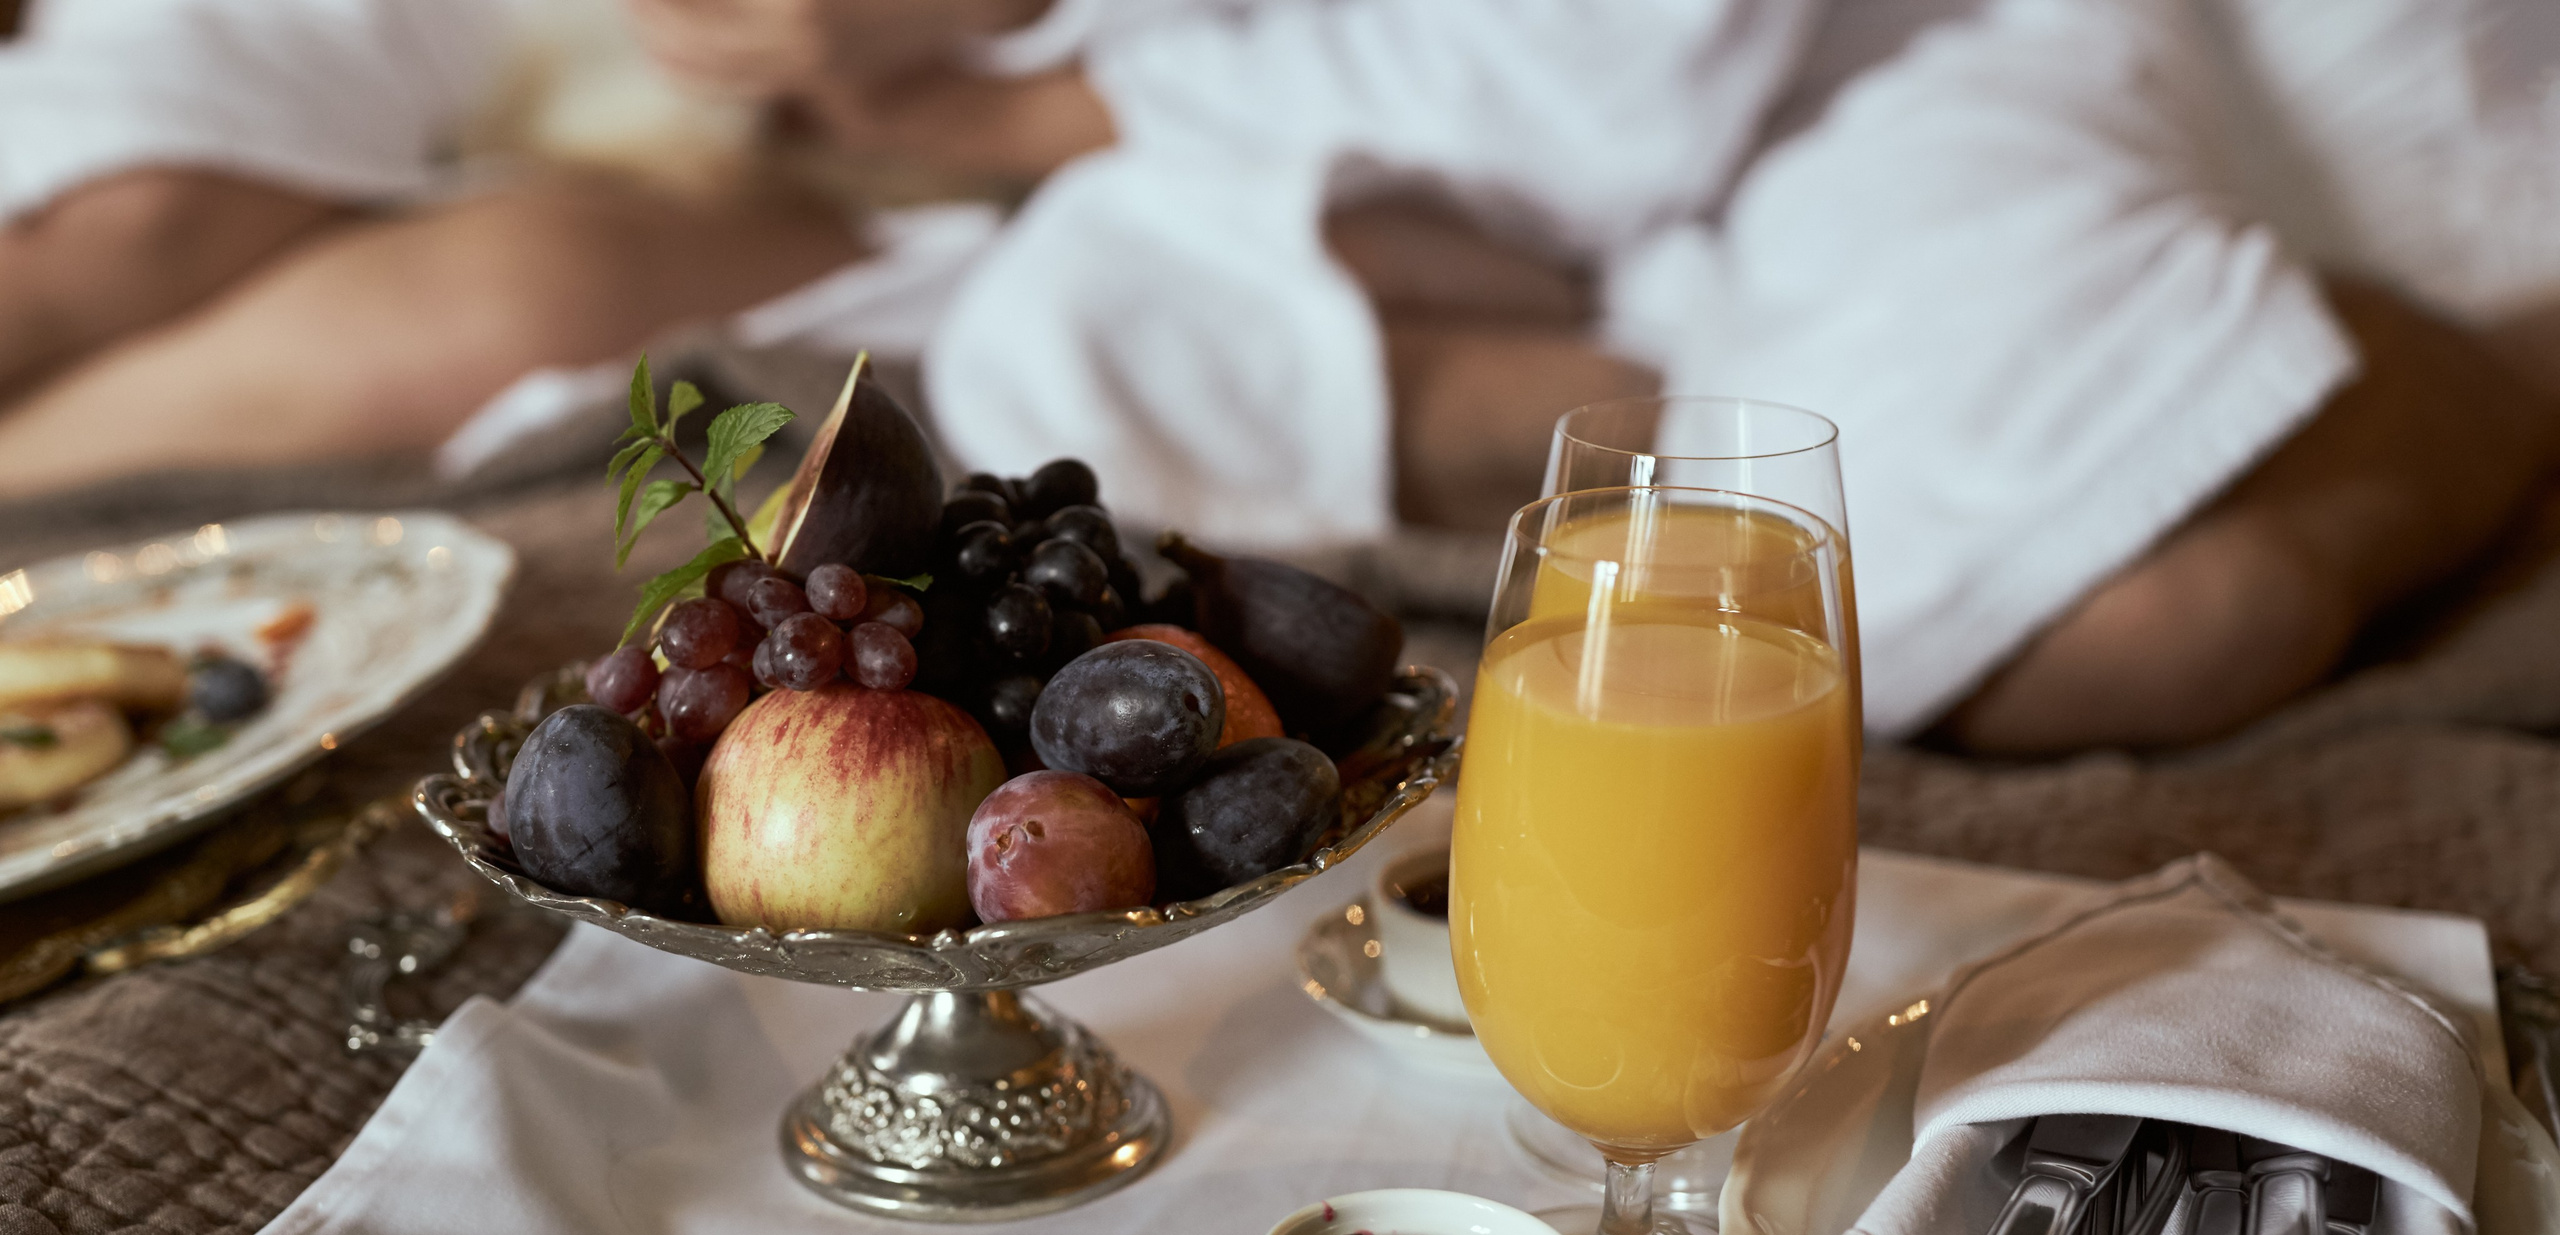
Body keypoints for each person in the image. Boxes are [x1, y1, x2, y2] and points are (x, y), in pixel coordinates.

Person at [6, 0, 2559, 759]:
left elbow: (1611, 77)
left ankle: (2499, 364)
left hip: (1805, 113)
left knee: (2122, 618)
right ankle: (1477, 388)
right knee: (489, 293)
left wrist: (982, 72)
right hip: (1132, 191)